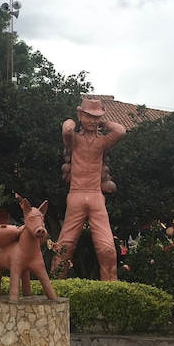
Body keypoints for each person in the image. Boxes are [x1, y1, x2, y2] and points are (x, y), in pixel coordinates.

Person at [50, 98, 126, 281]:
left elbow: (121, 131)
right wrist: (73, 121)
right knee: (65, 246)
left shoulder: (103, 142)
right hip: (76, 195)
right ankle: (54, 288)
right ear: (80, 114)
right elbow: (67, 130)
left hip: (96, 196)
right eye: (89, 116)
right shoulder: (74, 141)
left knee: (107, 249)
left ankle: (111, 289)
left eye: (96, 117)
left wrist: (103, 122)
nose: (93, 121)